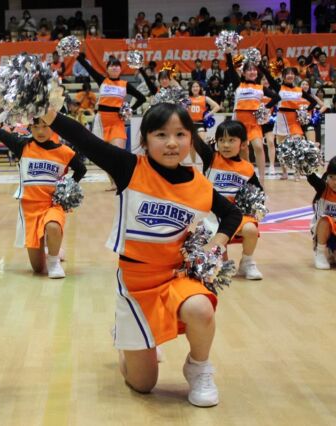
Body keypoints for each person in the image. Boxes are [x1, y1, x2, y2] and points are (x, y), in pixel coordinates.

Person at [40, 103, 242, 407]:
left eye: (180, 134)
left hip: (176, 277)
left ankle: (199, 368)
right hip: (134, 285)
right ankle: (125, 337)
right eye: (161, 134)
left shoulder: (199, 184)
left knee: (202, 308)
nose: (172, 143)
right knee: (143, 384)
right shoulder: (129, 167)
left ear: (191, 139)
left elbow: (232, 214)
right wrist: (48, 113)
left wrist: (215, 245)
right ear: (145, 140)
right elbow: (84, 138)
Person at [0, 115, 86, 278]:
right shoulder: (22, 146)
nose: (40, 131)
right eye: (36, 126)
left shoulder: (65, 152)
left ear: (53, 127)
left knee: (53, 226)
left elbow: (81, 169)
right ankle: (51, 248)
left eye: (45, 126)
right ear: (30, 128)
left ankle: (54, 262)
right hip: (30, 210)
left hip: (52, 205)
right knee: (38, 269)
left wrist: (67, 187)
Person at [196, 121, 264, 279]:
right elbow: (195, 140)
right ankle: (222, 259)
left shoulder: (247, 168)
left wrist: (256, 206)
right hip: (210, 215)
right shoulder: (210, 158)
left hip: (232, 215)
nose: (225, 145)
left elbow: (258, 192)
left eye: (231, 140)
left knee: (251, 229)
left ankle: (247, 263)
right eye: (221, 140)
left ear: (243, 144)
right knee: (219, 269)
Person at [76, 52, 146, 189]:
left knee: (117, 154)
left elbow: (141, 98)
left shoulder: (125, 84)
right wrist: (77, 56)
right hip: (100, 122)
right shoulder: (102, 81)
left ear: (121, 69)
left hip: (117, 122)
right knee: (104, 156)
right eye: (111, 66)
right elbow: (89, 68)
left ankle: (123, 180)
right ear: (107, 69)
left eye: (117, 66)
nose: (114, 68)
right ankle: (113, 183)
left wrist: (129, 109)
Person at [226, 53, 280, 183]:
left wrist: (265, 107)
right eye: (249, 69)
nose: (252, 71)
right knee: (244, 152)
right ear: (243, 73)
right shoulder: (238, 85)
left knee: (259, 147)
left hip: (254, 123)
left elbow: (277, 97)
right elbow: (231, 68)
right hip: (239, 124)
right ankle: (248, 176)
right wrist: (228, 53)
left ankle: (261, 178)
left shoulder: (260, 88)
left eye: (254, 69)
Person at [262, 65, 317, 180]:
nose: (290, 75)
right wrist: (260, 65)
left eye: (292, 73)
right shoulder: (279, 87)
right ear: (283, 76)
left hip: (294, 120)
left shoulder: (299, 90)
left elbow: (313, 102)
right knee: (281, 148)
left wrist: (305, 111)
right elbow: (268, 76)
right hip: (281, 119)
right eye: (288, 73)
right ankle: (284, 172)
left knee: (297, 146)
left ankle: (297, 172)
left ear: (295, 76)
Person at [307, 156, 336, 269]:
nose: (334, 182)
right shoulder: (323, 187)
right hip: (323, 231)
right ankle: (320, 253)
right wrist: (305, 162)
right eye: (331, 177)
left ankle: (331, 253)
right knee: (326, 219)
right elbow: (311, 178)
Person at [187, 81, 221, 163]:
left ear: (200, 88)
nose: (195, 88)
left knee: (201, 143)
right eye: (193, 87)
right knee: (191, 145)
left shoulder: (204, 98)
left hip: (200, 124)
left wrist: (208, 114)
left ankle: (205, 162)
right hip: (190, 124)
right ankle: (193, 164)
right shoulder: (187, 99)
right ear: (190, 89)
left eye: (197, 86)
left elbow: (217, 106)